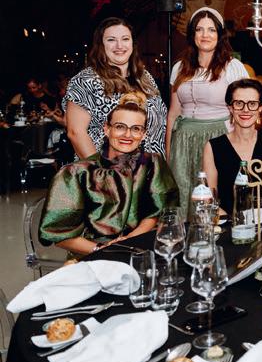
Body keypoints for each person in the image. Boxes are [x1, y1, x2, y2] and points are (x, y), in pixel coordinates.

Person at [39, 93, 179, 256]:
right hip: (92, 253)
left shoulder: (152, 163)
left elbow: (157, 212)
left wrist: (130, 241)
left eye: (136, 129)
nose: (127, 135)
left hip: (140, 247)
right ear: (106, 129)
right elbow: (59, 234)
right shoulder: (76, 173)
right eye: (120, 126)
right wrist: (103, 250)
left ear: (144, 134)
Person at [166, 7, 249, 215]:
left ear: (220, 35)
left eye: (211, 30)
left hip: (219, 137)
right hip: (183, 140)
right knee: (182, 195)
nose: (205, 35)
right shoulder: (179, 68)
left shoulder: (233, 67)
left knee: (215, 197)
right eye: (199, 29)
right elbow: (174, 112)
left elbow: (243, 110)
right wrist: (169, 154)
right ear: (192, 34)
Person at [64, 17, 167, 158]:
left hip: (149, 166)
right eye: (111, 40)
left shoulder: (144, 77)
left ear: (133, 43)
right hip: (108, 166)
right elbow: (75, 132)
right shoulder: (86, 80)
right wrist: (99, 169)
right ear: (101, 45)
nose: (119, 45)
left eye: (125, 39)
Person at [202, 78, 262, 215]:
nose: (246, 109)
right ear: (230, 108)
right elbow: (209, 200)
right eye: (239, 103)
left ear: (260, 108)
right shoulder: (213, 147)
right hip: (229, 224)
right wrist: (233, 224)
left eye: (252, 104)